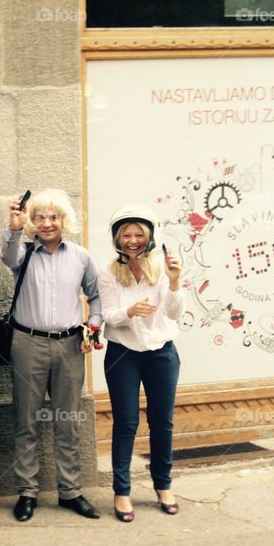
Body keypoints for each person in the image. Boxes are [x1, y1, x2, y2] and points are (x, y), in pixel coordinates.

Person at [0, 189, 103, 522]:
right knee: (26, 421)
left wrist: (94, 324)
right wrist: (14, 226)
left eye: (53, 216)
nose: (47, 223)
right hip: (27, 344)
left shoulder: (81, 256)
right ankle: (27, 492)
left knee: (67, 421)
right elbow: (6, 256)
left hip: (70, 346)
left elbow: (96, 297)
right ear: (33, 221)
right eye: (40, 216)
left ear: (63, 220)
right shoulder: (24, 253)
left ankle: (70, 492)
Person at [98, 205, 184, 522]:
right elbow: (108, 316)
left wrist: (175, 282)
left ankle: (163, 485)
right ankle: (122, 492)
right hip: (123, 353)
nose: (132, 241)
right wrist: (129, 312)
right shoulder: (108, 272)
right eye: (126, 235)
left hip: (162, 352)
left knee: (162, 421)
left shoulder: (161, 268)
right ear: (117, 239)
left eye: (139, 235)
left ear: (149, 237)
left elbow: (174, 314)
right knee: (127, 422)